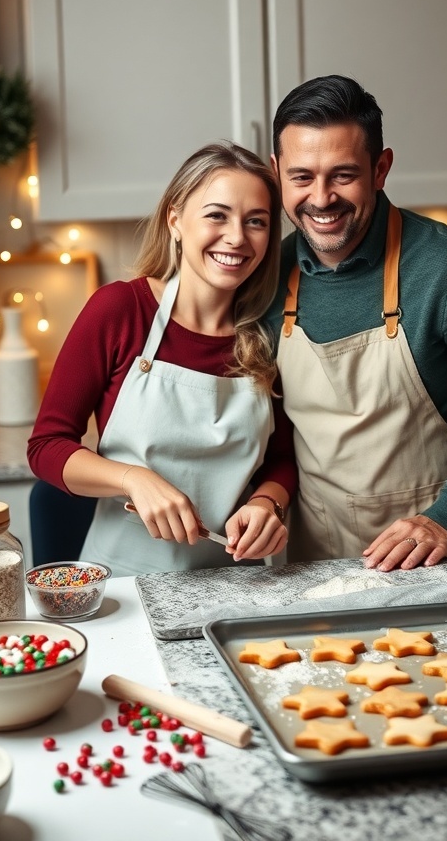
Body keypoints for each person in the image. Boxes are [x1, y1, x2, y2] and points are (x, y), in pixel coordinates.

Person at [265, 74, 447, 571]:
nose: (322, 198)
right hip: (315, 564)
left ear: (381, 169)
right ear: (277, 173)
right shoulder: (266, 277)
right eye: (302, 176)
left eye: (343, 175)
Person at [28, 143, 296, 576]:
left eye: (256, 222)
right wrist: (132, 478)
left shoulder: (270, 331)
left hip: (234, 581)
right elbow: (46, 447)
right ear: (176, 219)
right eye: (216, 215)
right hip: (120, 581)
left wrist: (269, 503)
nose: (237, 237)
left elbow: (283, 459)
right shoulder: (119, 309)